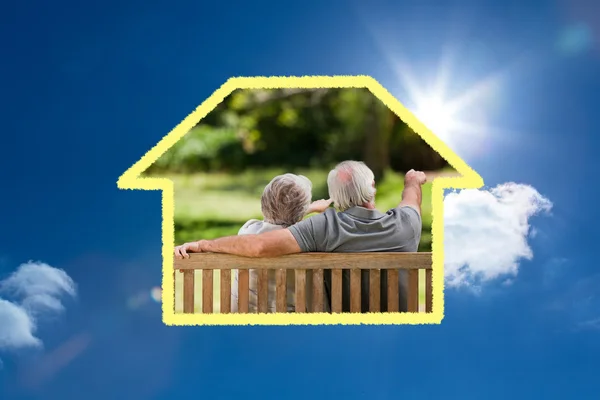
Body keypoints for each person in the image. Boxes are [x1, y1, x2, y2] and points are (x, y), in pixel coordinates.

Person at [175, 161, 426, 312]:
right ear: (373, 188)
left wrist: (204, 243)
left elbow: (261, 244)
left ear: (336, 196)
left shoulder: (324, 227)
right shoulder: (407, 224)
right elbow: (411, 200)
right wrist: (412, 182)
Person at [176, 173, 331, 313]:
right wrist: (308, 209)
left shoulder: (247, 231)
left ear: (264, 204)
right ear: (300, 211)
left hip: (247, 319)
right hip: (299, 324)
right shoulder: (311, 239)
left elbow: (281, 223)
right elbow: (293, 226)